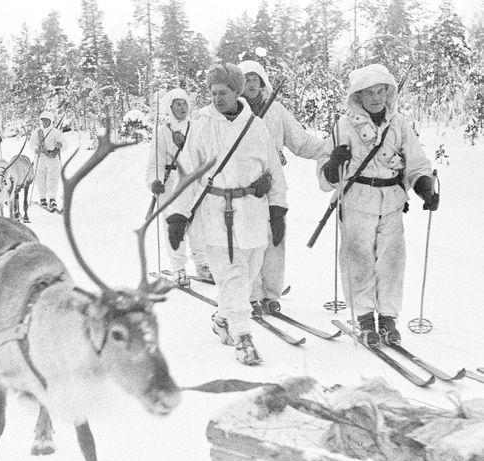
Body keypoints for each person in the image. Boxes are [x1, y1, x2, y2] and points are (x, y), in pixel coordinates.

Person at [166, 63, 287, 365]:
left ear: (237, 92)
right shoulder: (202, 125)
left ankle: (222, 318)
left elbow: (273, 168)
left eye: (223, 92)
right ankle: (243, 338)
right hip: (217, 214)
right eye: (212, 92)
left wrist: (277, 209)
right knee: (232, 275)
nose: (217, 98)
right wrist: (179, 215)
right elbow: (189, 174)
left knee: (245, 277)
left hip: (254, 214)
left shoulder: (255, 126)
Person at [317, 63, 438, 347]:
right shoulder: (344, 126)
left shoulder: (400, 124)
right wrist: (334, 161)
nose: (375, 97)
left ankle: (387, 317)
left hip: (392, 202)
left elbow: (417, 162)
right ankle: (364, 316)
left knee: (392, 261)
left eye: (381, 90)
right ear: (357, 95)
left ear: (388, 92)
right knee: (358, 260)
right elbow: (325, 178)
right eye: (368, 92)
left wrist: (424, 189)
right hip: (357, 199)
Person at [238, 60, 328, 317]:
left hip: (274, 185)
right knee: (249, 240)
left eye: (255, 79)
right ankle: (252, 295)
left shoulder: (275, 110)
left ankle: (271, 294)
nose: (251, 84)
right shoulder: (234, 113)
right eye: (245, 80)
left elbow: (300, 142)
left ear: (262, 81)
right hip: (244, 187)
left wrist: (332, 147)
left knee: (275, 237)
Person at [146, 88, 211, 287]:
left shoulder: (197, 126)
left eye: (184, 103)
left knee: (199, 226)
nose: (182, 107)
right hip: (172, 183)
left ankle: (202, 265)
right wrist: (154, 181)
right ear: (169, 107)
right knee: (175, 227)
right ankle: (178, 268)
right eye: (177, 104)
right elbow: (155, 161)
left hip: (194, 181)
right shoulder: (162, 131)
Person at [29, 111, 66, 212]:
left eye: (47, 120)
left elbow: (64, 144)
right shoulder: (37, 131)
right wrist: (35, 148)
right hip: (40, 157)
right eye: (43, 120)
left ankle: (52, 198)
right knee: (40, 178)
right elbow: (32, 143)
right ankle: (42, 198)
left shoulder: (55, 132)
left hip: (53, 158)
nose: (44, 122)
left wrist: (60, 145)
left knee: (52, 178)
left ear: (51, 121)